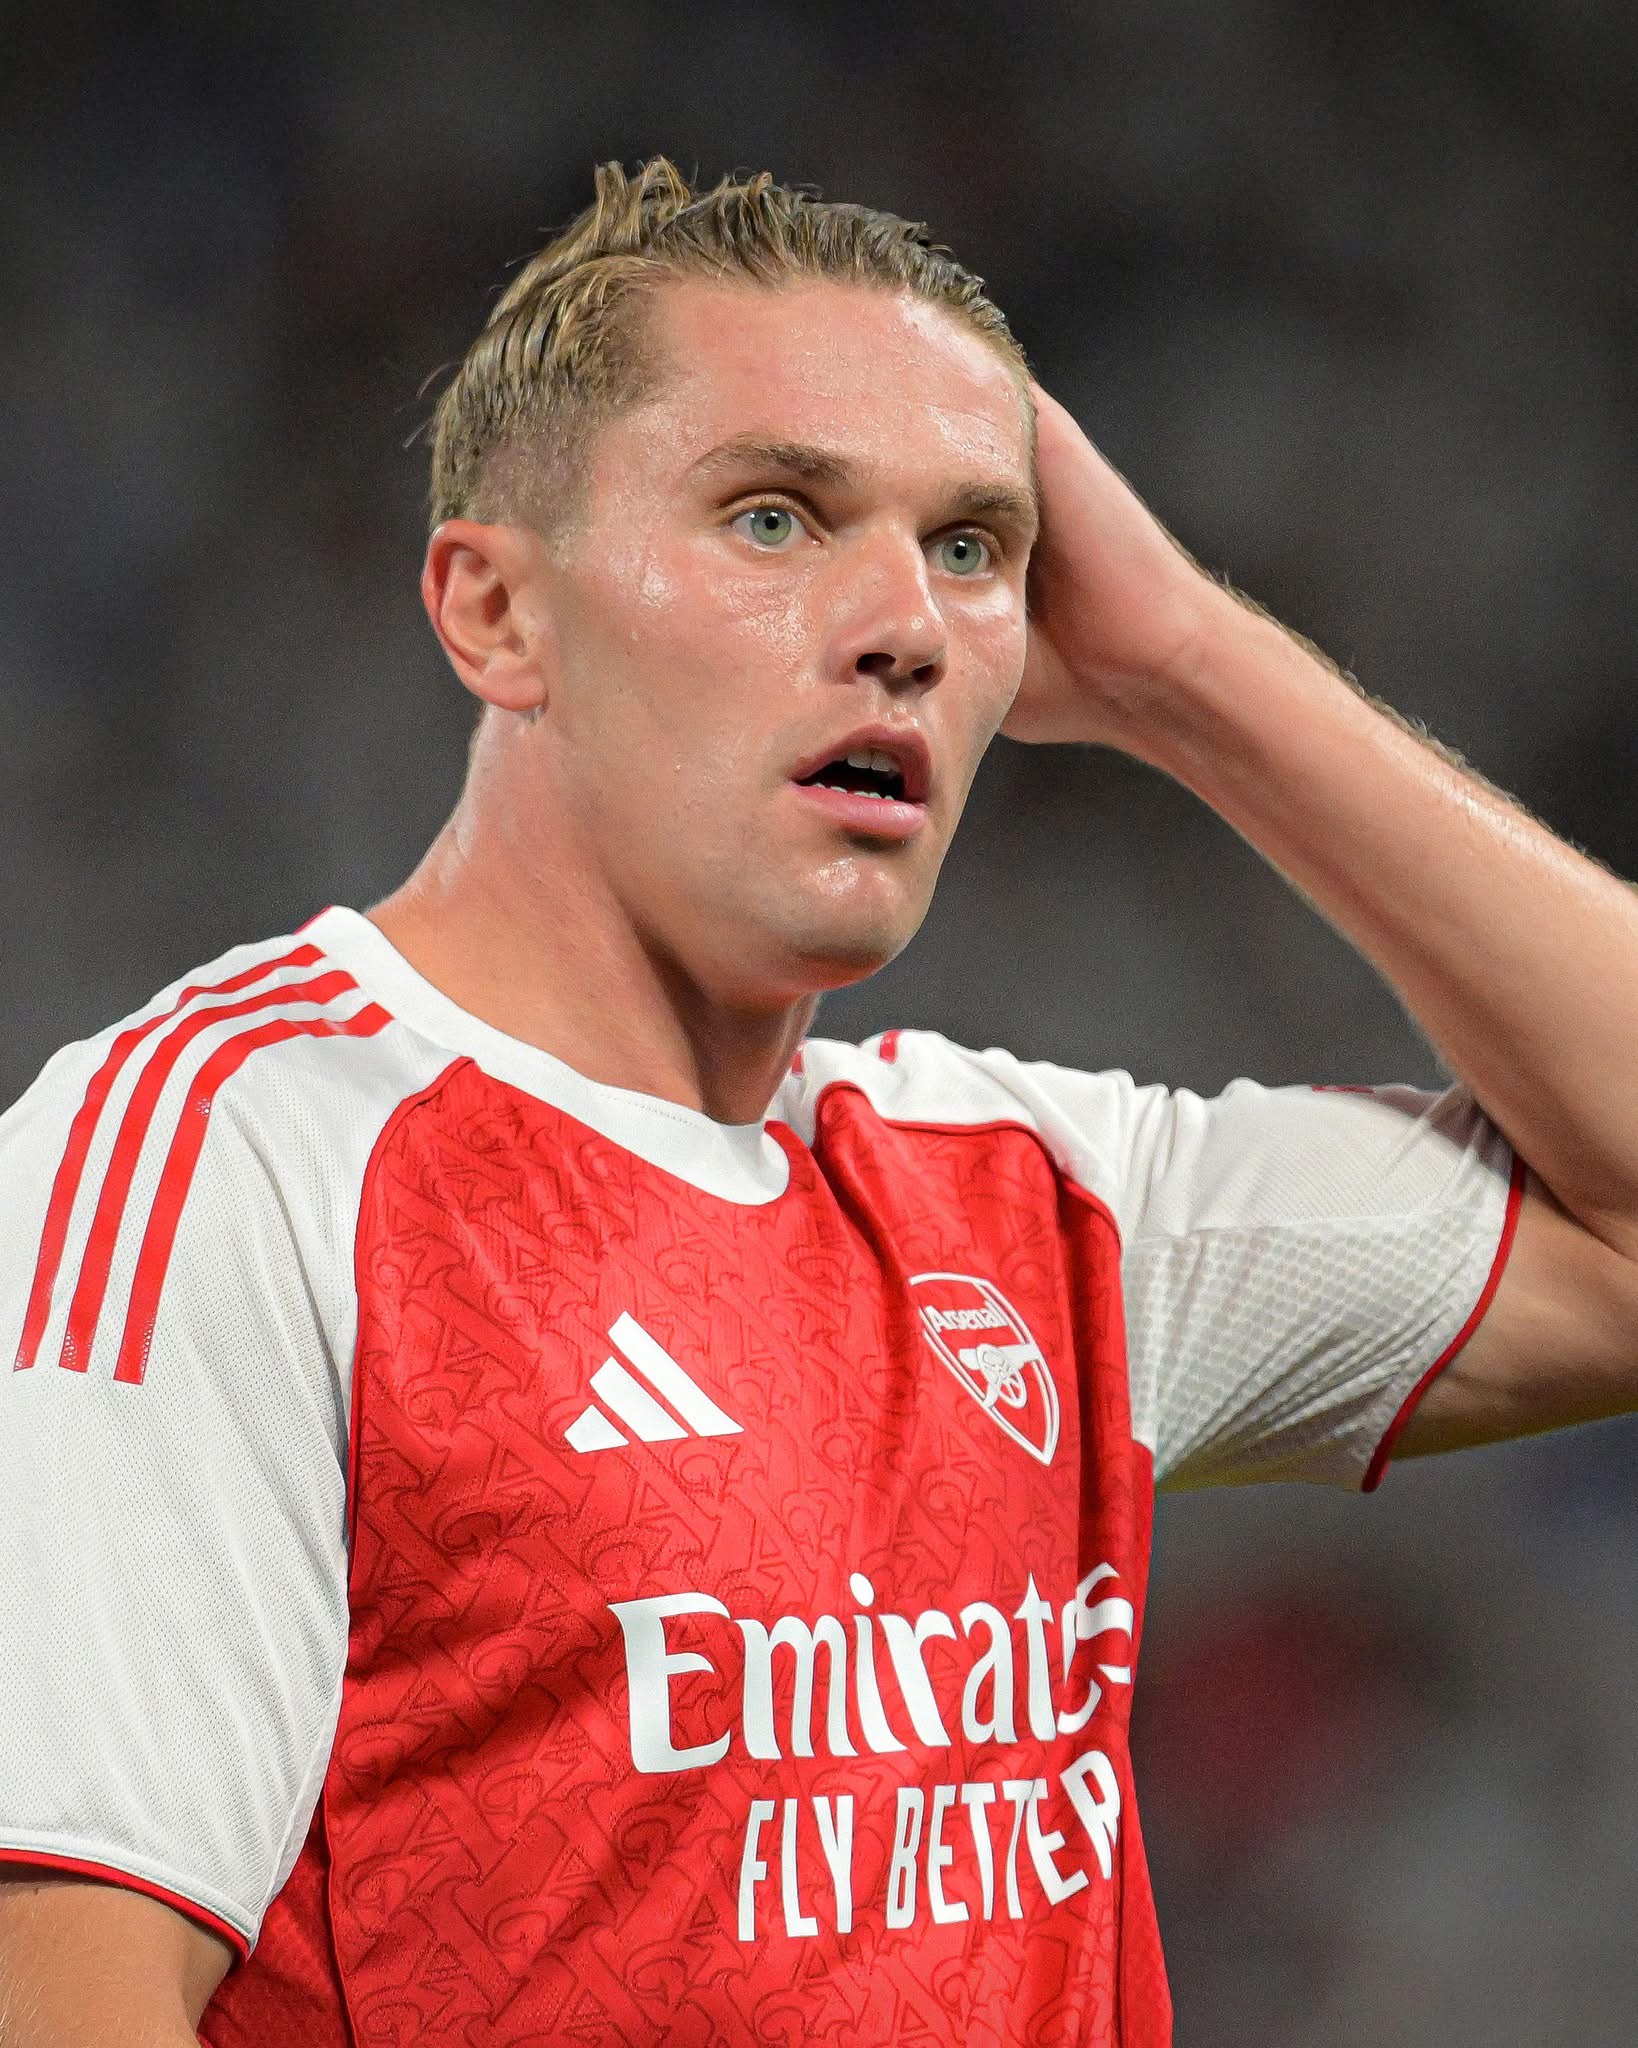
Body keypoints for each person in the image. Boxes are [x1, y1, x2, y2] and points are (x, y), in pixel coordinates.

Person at [0, 157, 1634, 2048]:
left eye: (972, 547)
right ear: (496, 612)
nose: (906, 622)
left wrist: (1185, 662)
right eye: (773, 517)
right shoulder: (222, 1162)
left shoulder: (1032, 1200)